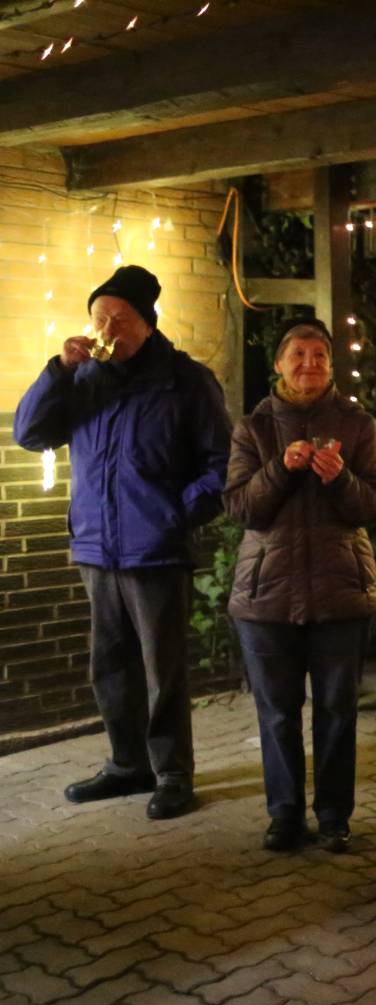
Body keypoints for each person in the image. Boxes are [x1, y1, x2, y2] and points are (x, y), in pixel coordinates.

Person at [13, 266, 232, 820]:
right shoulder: (84, 378)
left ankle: (174, 773)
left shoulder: (186, 381)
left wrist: (174, 516)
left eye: (120, 318)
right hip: (95, 546)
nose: (107, 327)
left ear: (147, 324)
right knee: (109, 667)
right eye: (99, 316)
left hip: (154, 548)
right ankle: (126, 765)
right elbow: (29, 434)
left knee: (164, 671)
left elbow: (221, 464)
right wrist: (59, 369)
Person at [223, 317, 376, 853]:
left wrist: (338, 476)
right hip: (266, 594)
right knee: (276, 714)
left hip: (341, 589)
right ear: (278, 364)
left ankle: (335, 816)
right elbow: (239, 508)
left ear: (331, 365)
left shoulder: (357, 424)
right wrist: (279, 468)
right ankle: (285, 815)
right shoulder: (252, 428)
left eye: (319, 355)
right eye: (298, 354)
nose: (309, 364)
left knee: (338, 713)